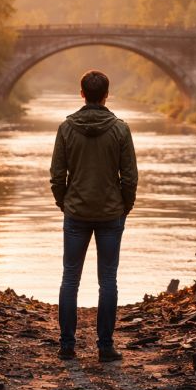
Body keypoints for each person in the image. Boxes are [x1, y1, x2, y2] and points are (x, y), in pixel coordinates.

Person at [49, 70, 138, 362]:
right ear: (106, 95)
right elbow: (130, 177)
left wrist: (65, 202)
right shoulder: (120, 129)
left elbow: (57, 174)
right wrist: (124, 205)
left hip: (76, 212)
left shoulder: (66, 128)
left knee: (69, 278)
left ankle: (66, 346)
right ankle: (105, 347)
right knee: (108, 280)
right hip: (111, 214)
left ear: (82, 94)